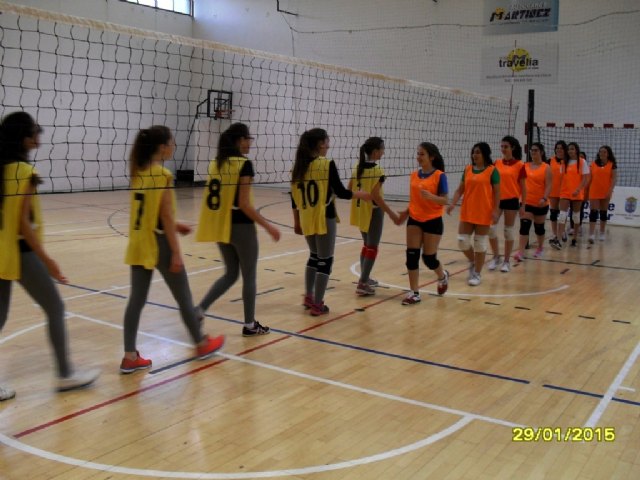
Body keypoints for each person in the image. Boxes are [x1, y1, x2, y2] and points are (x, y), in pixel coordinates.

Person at [0, 111, 100, 399]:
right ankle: (65, 375)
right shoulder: (25, 172)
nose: (39, 135)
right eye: (35, 131)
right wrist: (48, 260)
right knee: (55, 307)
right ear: (24, 138)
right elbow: (23, 224)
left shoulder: (2, 169)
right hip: (20, 251)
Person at [121, 125, 224, 374]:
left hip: (139, 242)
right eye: (172, 143)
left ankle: (129, 356)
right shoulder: (162, 175)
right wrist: (176, 251)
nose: (174, 147)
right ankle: (201, 344)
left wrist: (176, 225)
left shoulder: (138, 171)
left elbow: (152, 212)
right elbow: (165, 216)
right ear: (162, 147)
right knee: (184, 298)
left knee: (136, 300)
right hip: (160, 244)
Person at [195, 123, 280, 336]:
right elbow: (244, 204)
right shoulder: (244, 164)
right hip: (242, 227)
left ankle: (199, 310)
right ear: (240, 140)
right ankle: (250, 325)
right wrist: (268, 226)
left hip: (222, 226)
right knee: (249, 276)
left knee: (231, 274)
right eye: (248, 139)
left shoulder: (216, 163)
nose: (250, 143)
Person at [291, 128, 370, 316]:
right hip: (324, 216)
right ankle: (317, 304)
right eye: (327, 142)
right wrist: (361, 194)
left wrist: (296, 222)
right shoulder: (326, 164)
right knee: (325, 260)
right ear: (320, 144)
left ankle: (309, 297)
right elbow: (341, 192)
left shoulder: (298, 167)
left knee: (314, 256)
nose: (328, 146)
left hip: (306, 217)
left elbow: (294, 199)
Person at [348, 137, 401, 296]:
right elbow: (376, 196)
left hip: (359, 210)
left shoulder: (357, 167)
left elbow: (349, 189)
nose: (383, 152)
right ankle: (363, 283)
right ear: (376, 151)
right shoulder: (378, 171)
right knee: (372, 247)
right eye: (382, 149)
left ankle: (364, 278)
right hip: (373, 212)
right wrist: (391, 213)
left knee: (367, 245)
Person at [398, 142, 449, 304]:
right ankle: (414, 293)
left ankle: (442, 276)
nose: (418, 157)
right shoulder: (414, 175)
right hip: (414, 219)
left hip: (433, 220)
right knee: (411, 256)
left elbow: (445, 200)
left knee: (429, 259)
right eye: (418, 154)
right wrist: (405, 213)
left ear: (431, 157)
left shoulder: (439, 175)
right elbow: (414, 200)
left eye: (422, 154)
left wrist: (432, 197)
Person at [447, 142, 500, 286]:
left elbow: (497, 193)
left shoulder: (492, 171)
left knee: (480, 244)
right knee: (462, 241)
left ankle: (477, 273)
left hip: (484, 212)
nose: (474, 155)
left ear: (484, 154)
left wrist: (495, 210)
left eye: (477, 152)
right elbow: (460, 190)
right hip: (467, 211)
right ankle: (473, 261)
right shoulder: (468, 169)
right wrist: (452, 203)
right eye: (473, 152)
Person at [488, 136, 527, 273]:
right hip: (497, 200)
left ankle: (506, 261)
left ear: (512, 148)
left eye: (506, 146)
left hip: (512, 200)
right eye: (502, 146)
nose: (503, 149)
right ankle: (496, 257)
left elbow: (523, 187)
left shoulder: (520, 165)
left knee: (508, 232)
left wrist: (523, 205)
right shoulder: (496, 163)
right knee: (491, 229)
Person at [513, 142, 552, 261]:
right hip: (527, 202)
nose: (533, 152)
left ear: (541, 152)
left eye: (535, 150)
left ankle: (540, 248)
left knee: (539, 228)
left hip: (541, 203)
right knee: (524, 226)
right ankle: (521, 252)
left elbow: (549, 185)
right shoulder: (525, 166)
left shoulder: (546, 167)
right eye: (532, 150)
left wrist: (544, 198)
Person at [556, 142, 590, 248]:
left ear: (576, 150)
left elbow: (585, 179)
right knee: (562, 215)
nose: (570, 151)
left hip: (577, 193)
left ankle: (574, 238)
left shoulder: (582, 162)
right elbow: (562, 178)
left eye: (572, 149)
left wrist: (578, 189)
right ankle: (558, 239)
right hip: (565, 192)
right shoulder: (564, 162)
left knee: (575, 216)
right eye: (569, 149)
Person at [588, 145, 617, 243]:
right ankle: (591, 234)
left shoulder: (612, 165)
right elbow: (589, 178)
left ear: (608, 154)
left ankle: (602, 233)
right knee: (593, 212)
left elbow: (614, 179)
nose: (602, 153)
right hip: (594, 191)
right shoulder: (593, 164)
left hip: (605, 191)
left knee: (603, 213)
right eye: (600, 151)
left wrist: (610, 190)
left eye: (604, 152)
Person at [548, 141, 567, 250]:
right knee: (553, 213)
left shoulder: (568, 161)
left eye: (561, 148)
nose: (559, 150)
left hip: (564, 191)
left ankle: (562, 232)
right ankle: (555, 233)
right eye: (557, 148)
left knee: (562, 214)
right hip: (553, 191)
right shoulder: (550, 161)